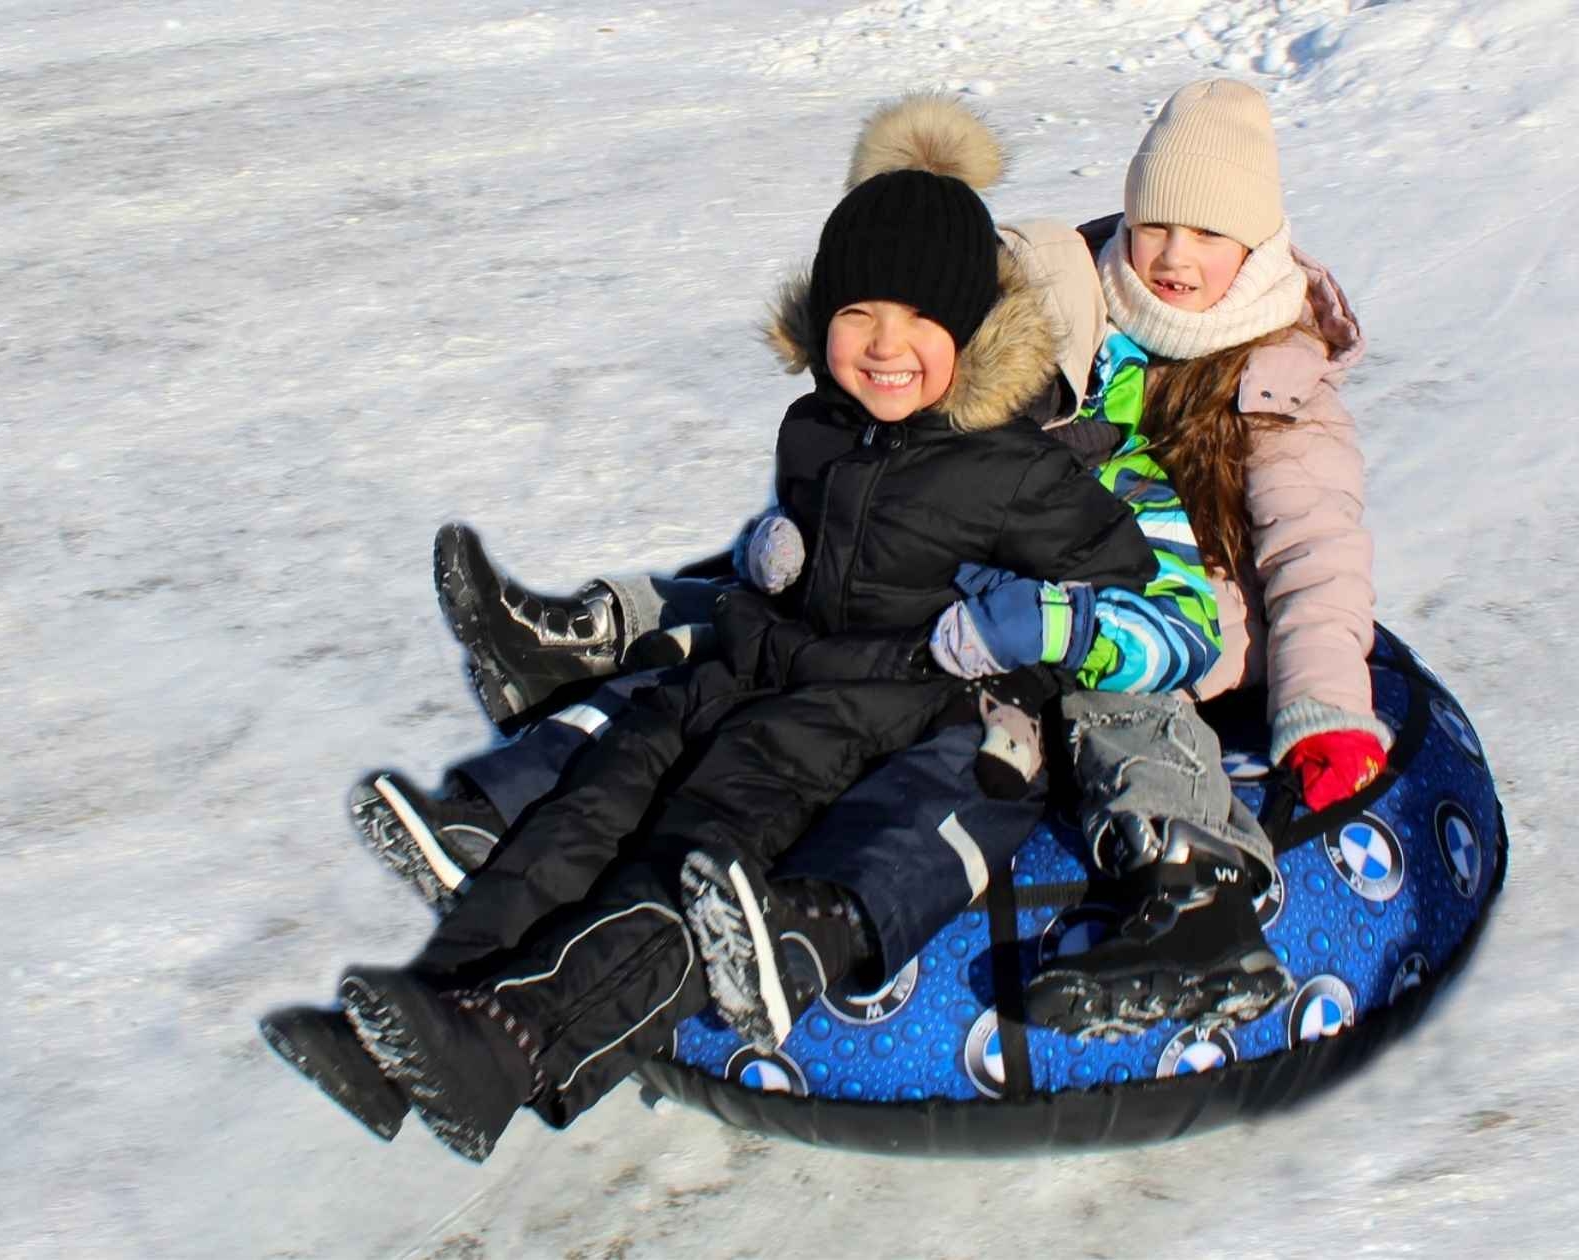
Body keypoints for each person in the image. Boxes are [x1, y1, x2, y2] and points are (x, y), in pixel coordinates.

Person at [364, 78, 1381, 1042]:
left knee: (1117, 709)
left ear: (1253, 244)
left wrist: (1322, 715)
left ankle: (1190, 898)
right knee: (808, 586)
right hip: (1008, 575)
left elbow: (1311, 551)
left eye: (1207, 232)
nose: (1171, 252)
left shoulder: (1274, 375)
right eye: (1155, 221)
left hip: (1165, 620)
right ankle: (575, 649)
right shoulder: (1082, 290)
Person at [260, 96, 1161, 1161]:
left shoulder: (1016, 469)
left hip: (859, 718)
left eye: (920, 320)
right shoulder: (817, 426)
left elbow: (1126, 591)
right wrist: (773, 548)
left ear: (969, 335)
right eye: (856, 313)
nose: (883, 347)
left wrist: (1018, 639)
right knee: (580, 818)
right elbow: (841, 543)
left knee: (681, 859)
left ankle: (506, 1048)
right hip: (744, 671)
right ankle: (420, 1023)